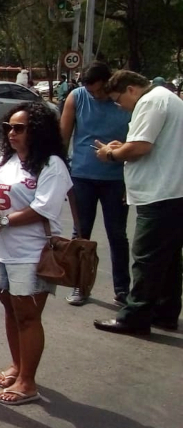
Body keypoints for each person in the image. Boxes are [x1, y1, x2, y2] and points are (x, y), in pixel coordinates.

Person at [0, 102, 71, 405]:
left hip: (32, 253)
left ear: (37, 131)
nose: (11, 133)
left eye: (19, 128)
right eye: (9, 128)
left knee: (28, 317)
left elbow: (43, 208)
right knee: (10, 311)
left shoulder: (51, 165)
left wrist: (0, 220)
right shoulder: (6, 160)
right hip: (1, 251)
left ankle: (28, 383)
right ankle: (18, 366)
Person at [93, 70, 183, 335]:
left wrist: (111, 153)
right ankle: (165, 312)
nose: (120, 106)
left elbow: (140, 147)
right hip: (171, 190)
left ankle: (135, 316)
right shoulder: (167, 98)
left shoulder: (150, 101)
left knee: (145, 257)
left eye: (119, 99)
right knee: (167, 259)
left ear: (132, 89)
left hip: (160, 192)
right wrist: (123, 146)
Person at [60, 61, 132, 306]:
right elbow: (64, 136)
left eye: (99, 90)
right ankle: (80, 286)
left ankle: (122, 290)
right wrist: (59, 173)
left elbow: (136, 140)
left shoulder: (124, 102)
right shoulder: (77, 97)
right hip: (82, 177)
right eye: (91, 91)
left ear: (109, 82)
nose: (95, 95)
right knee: (80, 235)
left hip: (116, 180)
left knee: (117, 235)